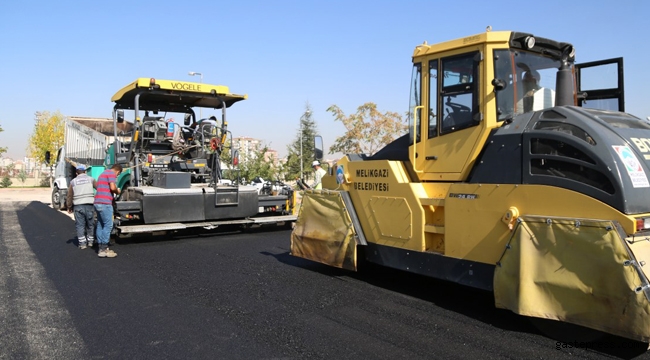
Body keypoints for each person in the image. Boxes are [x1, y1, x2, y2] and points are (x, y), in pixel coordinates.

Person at [94, 164, 122, 258]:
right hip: (105, 203)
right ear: (117, 171)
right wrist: (118, 191)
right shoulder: (111, 174)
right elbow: (112, 187)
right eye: (118, 175)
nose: (116, 176)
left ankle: (100, 246)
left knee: (100, 224)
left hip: (97, 202)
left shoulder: (102, 174)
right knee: (108, 224)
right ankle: (104, 248)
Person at [66, 164, 96, 249]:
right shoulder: (91, 179)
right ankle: (90, 241)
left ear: (76, 173)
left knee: (80, 225)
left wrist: (69, 206)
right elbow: (99, 188)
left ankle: (82, 244)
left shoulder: (73, 182)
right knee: (90, 224)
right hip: (90, 205)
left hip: (78, 206)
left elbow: (69, 195)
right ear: (85, 172)